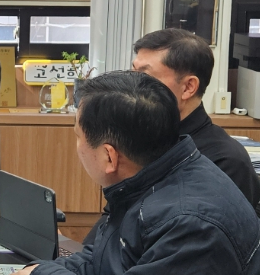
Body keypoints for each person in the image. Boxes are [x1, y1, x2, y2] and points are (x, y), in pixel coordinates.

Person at [0, 71, 260, 275]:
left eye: (78, 137)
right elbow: (104, 261)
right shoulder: (152, 177)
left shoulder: (193, 224)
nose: (77, 146)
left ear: (109, 156)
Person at [85, 28, 260, 244]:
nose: (132, 87)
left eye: (145, 77)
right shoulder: (142, 140)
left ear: (188, 87)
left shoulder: (225, 161)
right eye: (133, 72)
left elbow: (195, 249)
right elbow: (112, 221)